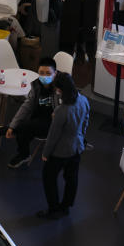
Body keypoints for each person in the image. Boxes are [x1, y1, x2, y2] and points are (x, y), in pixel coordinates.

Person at [37, 72, 89, 219]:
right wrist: (81, 137)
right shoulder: (83, 100)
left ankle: (53, 209)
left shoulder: (61, 111)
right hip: (77, 147)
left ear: (60, 89)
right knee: (72, 178)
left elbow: (53, 136)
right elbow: (86, 120)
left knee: (49, 177)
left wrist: (45, 153)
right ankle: (66, 206)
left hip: (60, 151)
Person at [0, 57, 58, 168]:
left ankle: (12, 130)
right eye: (41, 73)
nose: (44, 76)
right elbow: (27, 106)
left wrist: (12, 126)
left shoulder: (61, 86)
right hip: (37, 117)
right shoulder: (36, 84)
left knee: (24, 126)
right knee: (23, 127)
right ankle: (23, 153)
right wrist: (13, 125)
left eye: (48, 73)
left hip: (53, 122)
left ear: (55, 73)